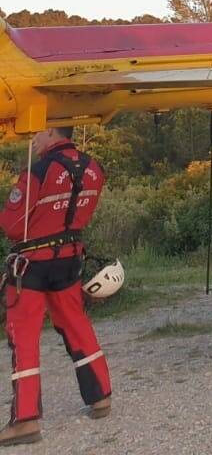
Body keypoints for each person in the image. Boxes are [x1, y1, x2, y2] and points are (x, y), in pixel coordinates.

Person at [0, 127, 112, 445]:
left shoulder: (37, 171)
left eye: (37, 134)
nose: (33, 140)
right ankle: (100, 396)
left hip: (32, 265)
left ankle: (25, 420)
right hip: (70, 258)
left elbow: (10, 225)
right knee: (76, 324)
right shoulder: (93, 168)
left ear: (52, 132)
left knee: (23, 336)